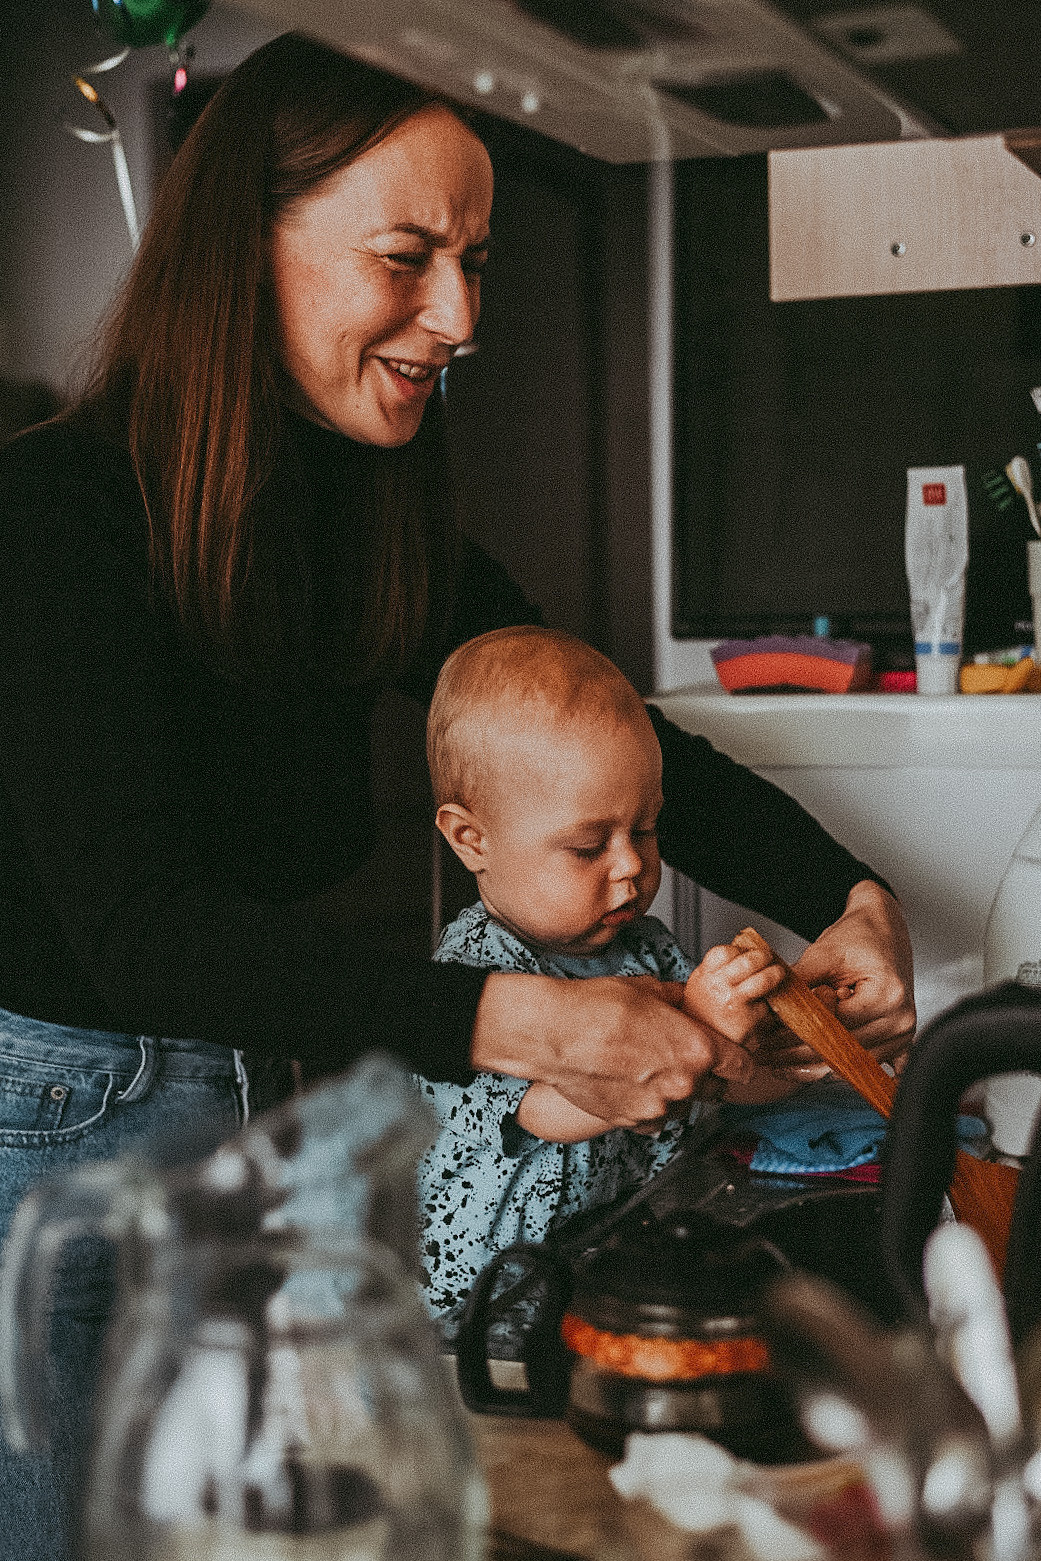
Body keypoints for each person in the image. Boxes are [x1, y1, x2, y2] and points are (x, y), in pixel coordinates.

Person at [0, 30, 913, 1558]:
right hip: (53, 1131)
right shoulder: (51, 518)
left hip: (256, 1105)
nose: (461, 313)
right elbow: (144, 930)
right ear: (247, 251)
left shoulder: (367, 515)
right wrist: (533, 1021)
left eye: (475, 259)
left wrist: (849, 897)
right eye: (407, 255)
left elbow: (629, 743)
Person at [416, 626, 802, 1331]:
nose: (629, 865)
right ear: (472, 839)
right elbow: (554, 1109)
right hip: (492, 1303)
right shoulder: (469, 972)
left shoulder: (644, 947)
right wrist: (702, 1025)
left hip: (598, 1269)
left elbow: (722, 1075)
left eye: (647, 831)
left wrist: (795, 1042)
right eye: (588, 845)